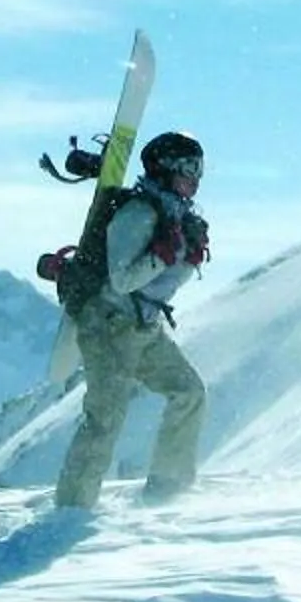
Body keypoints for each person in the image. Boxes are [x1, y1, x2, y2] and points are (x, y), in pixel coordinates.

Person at [54, 130, 211, 510]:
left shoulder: (173, 216)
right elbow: (123, 279)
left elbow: (158, 283)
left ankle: (167, 489)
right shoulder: (138, 213)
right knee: (104, 418)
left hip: (141, 327)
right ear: (166, 168)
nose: (197, 177)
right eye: (190, 168)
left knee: (189, 393)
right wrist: (165, 254)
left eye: (200, 169)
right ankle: (72, 509)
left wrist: (185, 259)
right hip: (108, 324)